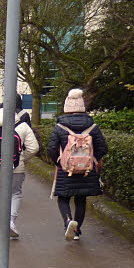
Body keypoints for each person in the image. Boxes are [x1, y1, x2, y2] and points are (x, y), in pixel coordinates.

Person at [0, 95, 40, 240]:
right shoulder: (22, 126)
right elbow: (34, 148)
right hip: (16, 168)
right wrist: (20, 158)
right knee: (15, 194)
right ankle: (10, 223)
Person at [47, 88, 108, 241]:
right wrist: (93, 160)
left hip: (66, 169)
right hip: (86, 170)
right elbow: (103, 148)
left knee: (63, 197)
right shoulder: (93, 127)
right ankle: (77, 230)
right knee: (81, 199)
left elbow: (51, 148)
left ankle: (68, 221)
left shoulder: (60, 127)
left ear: (66, 107)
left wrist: (59, 161)